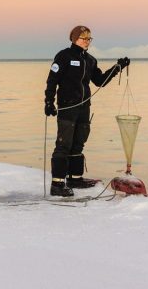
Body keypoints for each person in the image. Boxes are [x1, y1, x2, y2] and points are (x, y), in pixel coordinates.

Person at [44, 25, 130, 197]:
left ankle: (75, 178)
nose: (87, 41)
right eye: (84, 38)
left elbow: (100, 81)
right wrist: (49, 102)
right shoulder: (64, 56)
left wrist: (117, 67)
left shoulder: (90, 60)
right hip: (67, 106)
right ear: (74, 39)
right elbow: (52, 80)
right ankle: (57, 184)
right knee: (64, 144)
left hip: (84, 107)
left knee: (79, 143)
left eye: (89, 38)